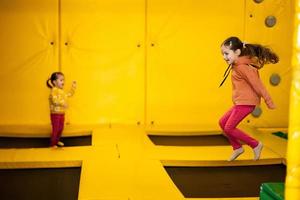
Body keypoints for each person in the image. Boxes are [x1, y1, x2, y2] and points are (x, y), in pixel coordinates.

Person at [219, 36, 278, 161]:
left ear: (237, 52)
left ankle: (255, 144)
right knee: (222, 122)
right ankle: (237, 147)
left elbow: (258, 85)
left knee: (229, 127)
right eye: (223, 54)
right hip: (240, 102)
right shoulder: (237, 65)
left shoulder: (243, 67)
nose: (224, 57)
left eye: (226, 53)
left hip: (246, 103)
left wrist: (269, 101)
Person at [46, 72, 76, 147]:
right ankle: (52, 144)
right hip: (55, 114)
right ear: (54, 82)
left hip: (62, 113)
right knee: (56, 129)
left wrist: (73, 87)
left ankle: (56, 141)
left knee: (60, 129)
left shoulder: (62, 91)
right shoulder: (54, 90)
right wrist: (63, 104)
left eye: (63, 80)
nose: (63, 82)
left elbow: (69, 95)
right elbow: (54, 101)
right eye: (61, 80)